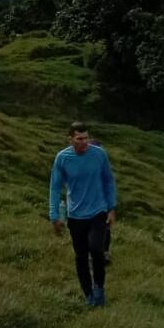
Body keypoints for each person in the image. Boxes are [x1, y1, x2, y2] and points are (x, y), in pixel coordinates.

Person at [49, 122, 117, 307]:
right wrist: (54, 216)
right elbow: (55, 187)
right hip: (75, 215)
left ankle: (99, 288)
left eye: (86, 138)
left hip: (97, 211)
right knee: (80, 256)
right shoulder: (62, 158)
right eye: (80, 139)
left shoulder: (99, 154)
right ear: (71, 139)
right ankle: (88, 295)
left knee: (96, 249)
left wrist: (111, 207)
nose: (84, 142)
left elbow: (108, 180)